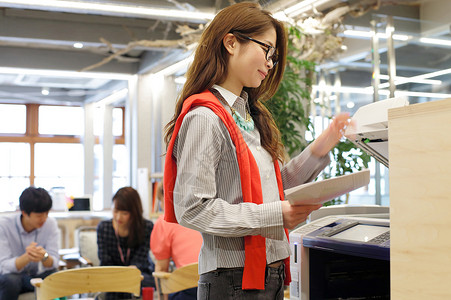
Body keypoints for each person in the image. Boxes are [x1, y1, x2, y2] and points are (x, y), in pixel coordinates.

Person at [163, 2, 353, 299]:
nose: (270, 62)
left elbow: (273, 191)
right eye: (266, 49)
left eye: (273, 56)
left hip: (271, 274)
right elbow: (192, 208)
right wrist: (274, 215)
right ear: (231, 42)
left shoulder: (250, 116)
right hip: (232, 279)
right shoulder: (205, 117)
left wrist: (320, 148)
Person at [0, 186, 59, 300]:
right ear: (24, 213)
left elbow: (54, 261)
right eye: (39, 215)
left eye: (46, 214)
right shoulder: (4, 226)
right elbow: (3, 266)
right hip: (14, 277)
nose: (44, 219)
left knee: (55, 276)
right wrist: (27, 257)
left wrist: (44, 256)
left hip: (37, 275)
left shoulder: (51, 224)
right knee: (9, 280)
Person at [97, 186, 155, 300]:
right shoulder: (104, 228)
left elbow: (140, 260)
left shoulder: (146, 227)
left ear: (134, 212)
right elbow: (105, 261)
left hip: (138, 274)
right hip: (112, 276)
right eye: (115, 211)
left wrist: (129, 274)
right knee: (114, 286)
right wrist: (119, 276)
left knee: (139, 282)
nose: (118, 217)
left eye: (124, 213)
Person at [150, 182, 202, 300]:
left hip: (188, 288)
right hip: (217, 283)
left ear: (166, 197)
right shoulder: (204, 213)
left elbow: (161, 270)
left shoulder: (165, 221)